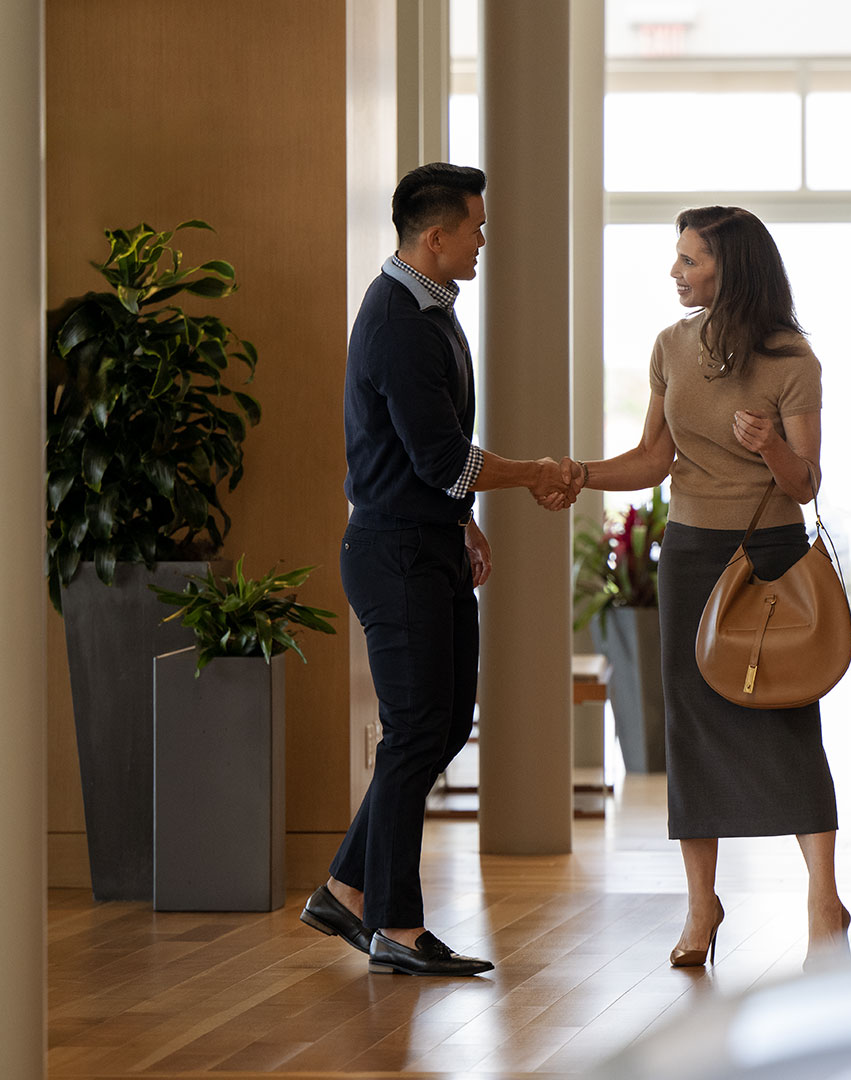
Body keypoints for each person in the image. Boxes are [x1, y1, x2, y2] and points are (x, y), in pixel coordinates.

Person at [300, 162, 580, 977]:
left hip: (427, 544)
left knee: (444, 724)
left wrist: (464, 523)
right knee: (419, 728)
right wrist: (530, 474)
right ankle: (394, 921)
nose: (483, 238)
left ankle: (347, 889)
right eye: (476, 227)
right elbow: (440, 458)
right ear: (436, 236)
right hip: (394, 554)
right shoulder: (399, 320)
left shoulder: (430, 310)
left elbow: (437, 467)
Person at [560, 206, 849, 970]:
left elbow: (808, 480)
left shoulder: (793, 361)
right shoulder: (670, 347)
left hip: (772, 555)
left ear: (731, 269)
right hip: (690, 555)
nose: (676, 271)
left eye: (690, 260)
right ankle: (701, 905)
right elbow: (653, 459)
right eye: (677, 257)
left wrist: (772, 448)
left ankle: (824, 896)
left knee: (786, 715)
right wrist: (579, 475)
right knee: (692, 726)